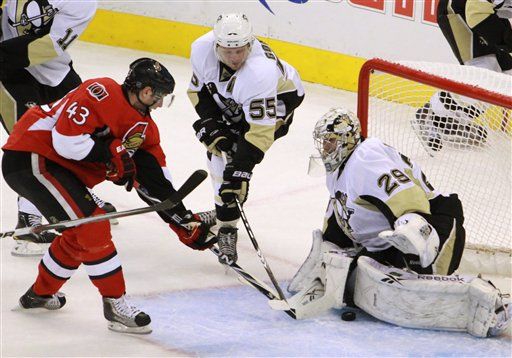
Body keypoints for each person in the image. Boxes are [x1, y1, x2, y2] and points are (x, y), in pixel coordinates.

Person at [1, 58, 217, 334]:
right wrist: (110, 155)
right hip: (32, 158)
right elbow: (65, 141)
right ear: (144, 90)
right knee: (94, 224)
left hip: (57, 168)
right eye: (158, 95)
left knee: (79, 234)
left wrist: (182, 221)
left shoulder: (143, 129)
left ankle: (39, 295)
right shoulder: (100, 92)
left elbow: (157, 183)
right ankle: (115, 303)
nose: (160, 103)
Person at [275, 108, 511, 338]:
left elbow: (410, 198)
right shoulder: (339, 167)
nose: (325, 147)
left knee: (411, 296)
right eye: (323, 141)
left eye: (331, 140)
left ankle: (494, 306)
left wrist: (412, 235)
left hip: (433, 230)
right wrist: (326, 252)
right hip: (392, 243)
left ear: (347, 139)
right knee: (360, 282)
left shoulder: (365, 160)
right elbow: (339, 214)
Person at [0, 0, 117, 257]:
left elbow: (50, 45)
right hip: (7, 72)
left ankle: (74, 197)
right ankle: (28, 222)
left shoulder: (83, 3)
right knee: (29, 143)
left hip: (53, 68)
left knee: (87, 128)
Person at [187, 13, 305, 263]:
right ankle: (224, 215)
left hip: (281, 101)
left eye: (240, 51)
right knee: (216, 147)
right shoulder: (201, 49)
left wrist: (241, 170)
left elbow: (259, 133)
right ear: (216, 45)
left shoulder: (260, 72)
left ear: (249, 45)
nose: (234, 58)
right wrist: (212, 124)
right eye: (228, 51)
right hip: (235, 100)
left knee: (235, 169)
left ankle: (227, 227)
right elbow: (198, 91)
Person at [413, 0, 512, 152]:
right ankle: (429, 113)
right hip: (459, 9)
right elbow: (475, 12)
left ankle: (448, 121)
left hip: (487, 11)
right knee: (485, 73)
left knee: (504, 78)